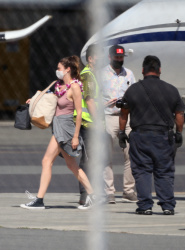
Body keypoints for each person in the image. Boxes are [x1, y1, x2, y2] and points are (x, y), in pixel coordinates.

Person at [20, 55, 95, 210]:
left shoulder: (75, 87)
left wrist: (75, 136)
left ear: (68, 69)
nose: (57, 71)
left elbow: (79, 113)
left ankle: (39, 200)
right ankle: (93, 196)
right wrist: (33, 100)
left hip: (66, 128)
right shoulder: (59, 85)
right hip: (57, 127)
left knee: (48, 161)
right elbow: (52, 99)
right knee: (71, 165)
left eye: (59, 68)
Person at [117, 55, 185, 215]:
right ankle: (168, 205)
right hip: (164, 136)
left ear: (142, 70)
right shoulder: (171, 89)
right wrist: (179, 133)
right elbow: (180, 114)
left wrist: (121, 133)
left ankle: (145, 205)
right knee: (164, 170)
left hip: (140, 136)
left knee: (142, 170)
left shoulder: (133, 90)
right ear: (159, 70)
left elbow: (123, 113)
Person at [99, 45, 137, 204]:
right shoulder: (101, 74)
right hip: (108, 116)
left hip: (126, 117)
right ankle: (109, 192)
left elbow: (134, 94)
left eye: (121, 57)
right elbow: (93, 96)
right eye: (116, 57)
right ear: (110, 57)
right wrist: (104, 103)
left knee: (131, 154)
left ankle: (128, 191)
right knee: (106, 155)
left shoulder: (129, 73)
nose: (119, 60)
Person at [74, 44, 100, 205]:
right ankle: (85, 195)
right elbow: (89, 100)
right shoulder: (88, 75)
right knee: (88, 160)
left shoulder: (95, 74)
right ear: (90, 59)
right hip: (88, 124)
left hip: (90, 123)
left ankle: (89, 193)